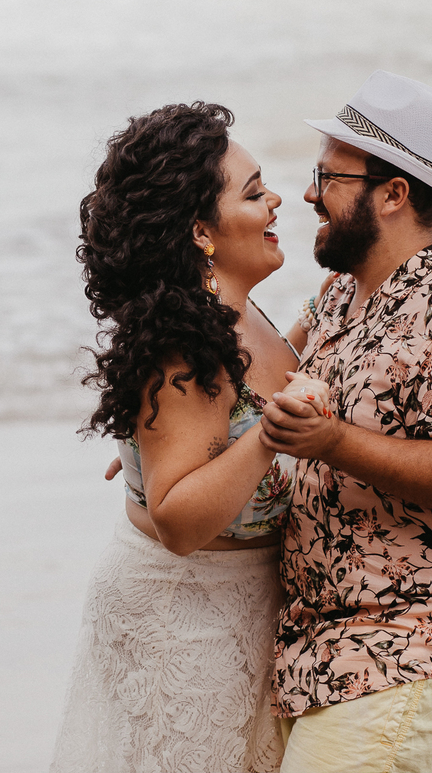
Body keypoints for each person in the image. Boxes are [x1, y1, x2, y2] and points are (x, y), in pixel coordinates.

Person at [258, 71, 432, 773]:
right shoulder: (340, 293)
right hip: (319, 653)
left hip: (408, 651)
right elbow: (265, 379)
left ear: (394, 193)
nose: (310, 192)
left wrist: (333, 442)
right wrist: (164, 427)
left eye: (328, 175)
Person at [50, 102, 318, 773]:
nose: (277, 199)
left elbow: (241, 396)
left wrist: (327, 315)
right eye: (254, 192)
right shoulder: (185, 343)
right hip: (185, 621)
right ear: (201, 231)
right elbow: (176, 520)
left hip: (233, 611)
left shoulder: (237, 309)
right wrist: (268, 439)